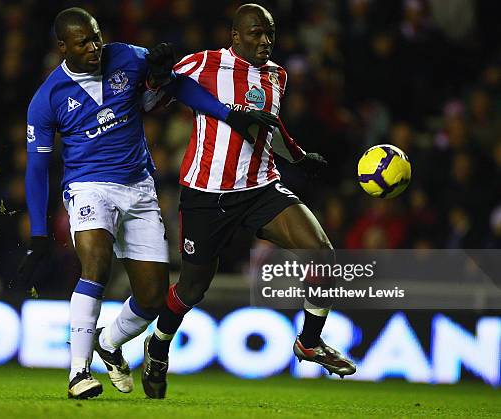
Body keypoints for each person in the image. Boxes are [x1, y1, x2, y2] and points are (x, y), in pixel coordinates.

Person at [13, 7, 278, 400]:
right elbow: (37, 169)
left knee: (153, 297)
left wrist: (178, 86)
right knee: (96, 263)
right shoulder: (47, 98)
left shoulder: (126, 57)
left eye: (97, 37)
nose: (94, 47)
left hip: (138, 187)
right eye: (84, 42)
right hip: (88, 188)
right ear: (62, 46)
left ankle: (108, 341)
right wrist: (37, 232)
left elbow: (175, 87)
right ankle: (78, 373)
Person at [142, 4, 356, 398]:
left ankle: (309, 341)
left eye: (270, 34)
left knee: (323, 252)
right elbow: (153, 100)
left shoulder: (277, 75)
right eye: (256, 33)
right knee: (192, 288)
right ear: (235, 36)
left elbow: (270, 125)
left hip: (260, 188)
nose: (265, 41)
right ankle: (157, 345)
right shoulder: (204, 63)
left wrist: (298, 154)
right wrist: (157, 77)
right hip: (206, 193)